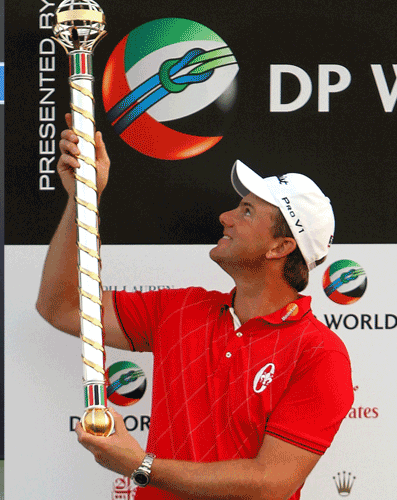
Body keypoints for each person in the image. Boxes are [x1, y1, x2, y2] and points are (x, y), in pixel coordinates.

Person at [35, 115, 353, 500]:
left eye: (247, 212)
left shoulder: (319, 354)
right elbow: (62, 307)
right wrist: (83, 200)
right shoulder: (181, 308)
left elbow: (271, 483)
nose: (225, 218)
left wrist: (141, 465)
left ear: (280, 247)